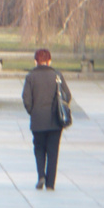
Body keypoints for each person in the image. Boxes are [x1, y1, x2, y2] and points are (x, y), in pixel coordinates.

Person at [22, 48, 72, 191]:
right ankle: (50, 183)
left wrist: (32, 111)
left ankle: (41, 176)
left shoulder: (30, 77)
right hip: (55, 121)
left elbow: (26, 98)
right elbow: (67, 96)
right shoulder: (57, 76)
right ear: (49, 61)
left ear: (35, 61)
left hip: (38, 121)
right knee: (53, 152)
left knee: (39, 149)